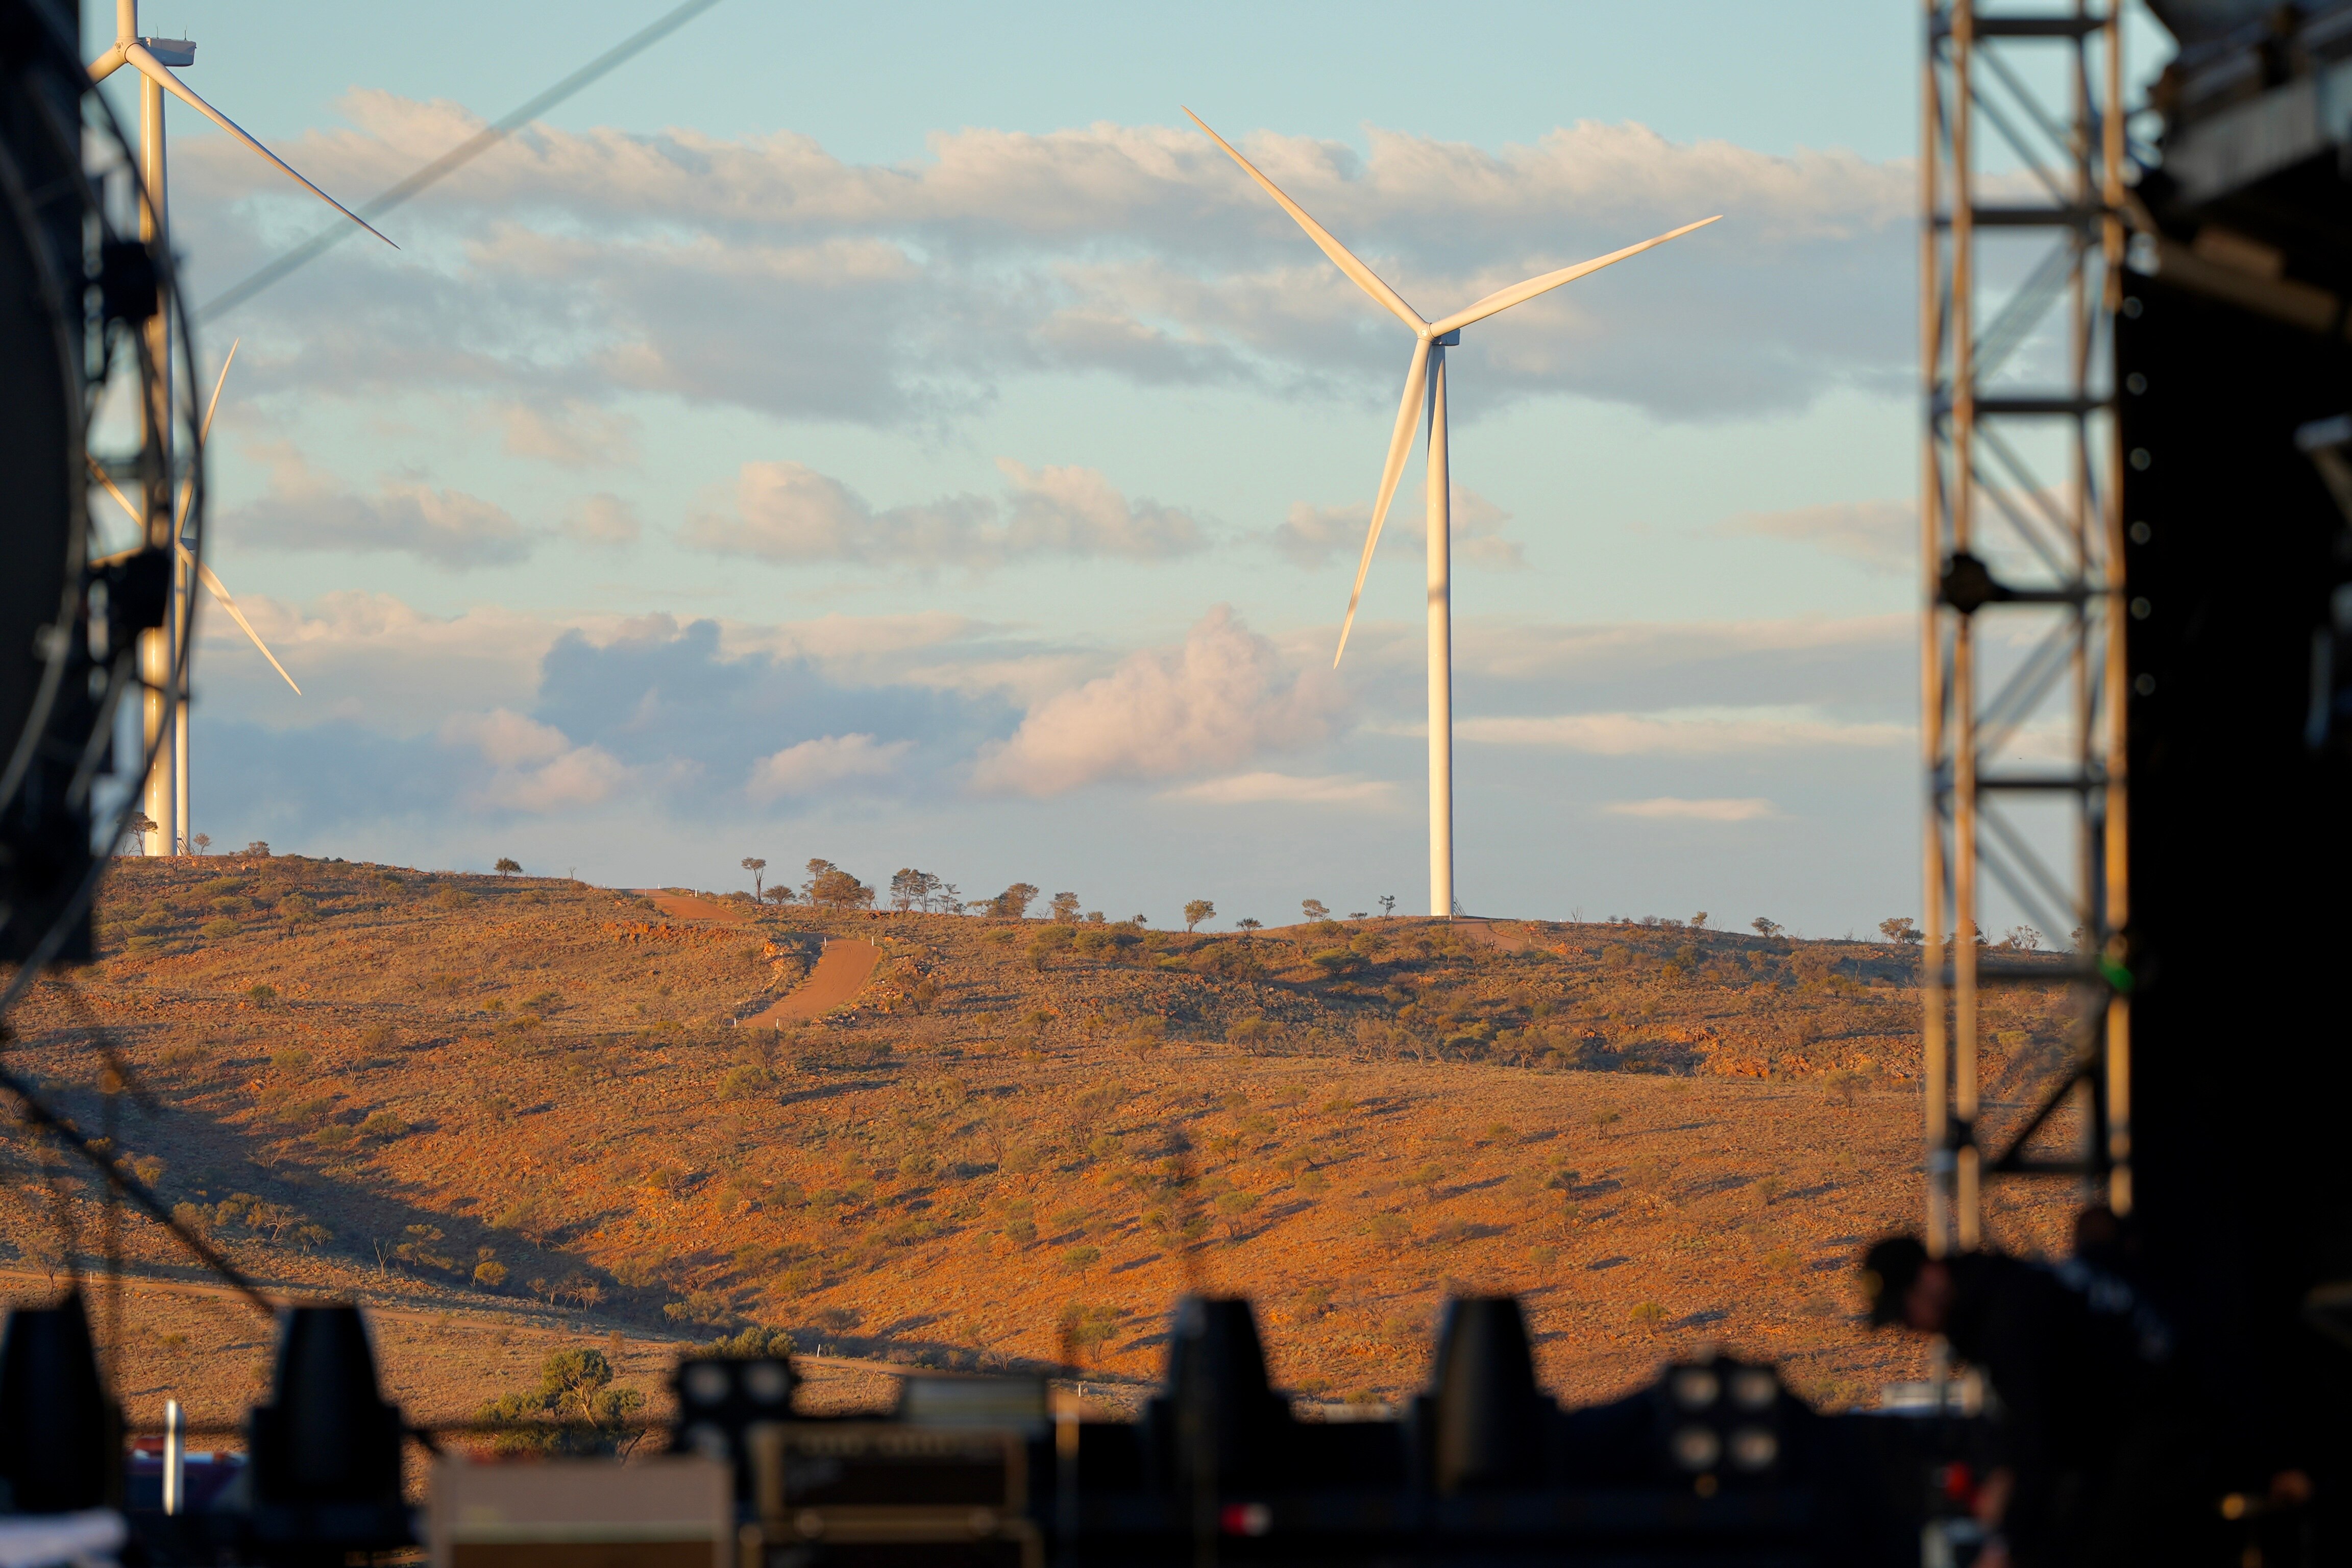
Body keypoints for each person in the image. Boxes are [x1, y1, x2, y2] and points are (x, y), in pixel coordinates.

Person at [1859, 1233, 2213, 1568]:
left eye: (1906, 1311)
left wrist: (2012, 1543)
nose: (1911, 1328)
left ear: (1931, 1275)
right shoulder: (2004, 1291)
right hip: (2157, 1425)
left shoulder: (2007, 1317)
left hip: (2167, 1434)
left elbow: (2044, 1437)